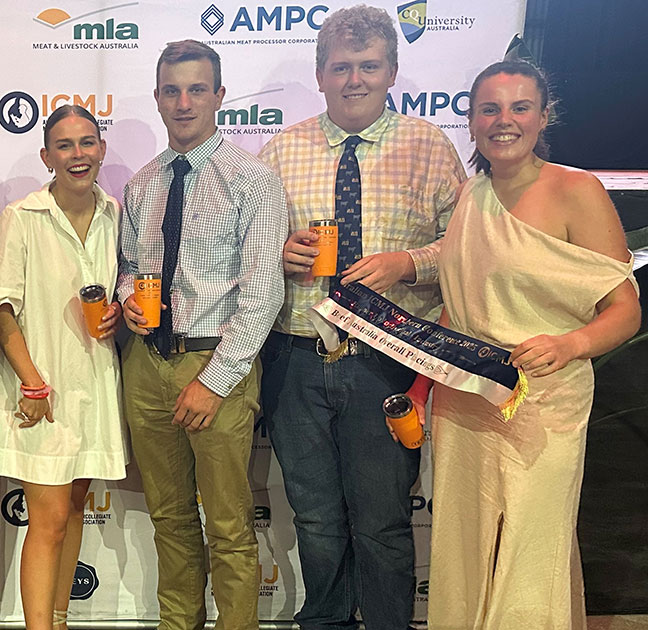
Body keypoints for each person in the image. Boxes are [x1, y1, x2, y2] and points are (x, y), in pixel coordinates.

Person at [256, 6, 466, 629]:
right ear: (320, 75)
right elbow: (249, 249)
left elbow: (466, 250)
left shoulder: (429, 146)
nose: (355, 80)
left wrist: (407, 263)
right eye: (342, 67)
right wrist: (278, 255)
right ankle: (325, 622)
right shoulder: (281, 149)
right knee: (315, 518)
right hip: (296, 357)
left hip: (389, 360)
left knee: (382, 521)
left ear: (392, 72)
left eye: (369, 66)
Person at [414, 60, 639, 629]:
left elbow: (625, 310)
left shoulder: (576, 190)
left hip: (545, 401)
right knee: (462, 546)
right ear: (471, 121)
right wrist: (422, 388)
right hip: (465, 401)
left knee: (533, 546)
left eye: (519, 107)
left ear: (544, 116)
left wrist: (571, 344)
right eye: (489, 109)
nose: (504, 120)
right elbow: (457, 306)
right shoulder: (470, 195)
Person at [118, 40, 287, 630]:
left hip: (216, 362)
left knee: (229, 525)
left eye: (196, 89)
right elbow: (128, 267)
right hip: (147, 364)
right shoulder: (142, 184)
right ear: (157, 98)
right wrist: (127, 300)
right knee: (168, 518)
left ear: (219, 96)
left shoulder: (253, 181)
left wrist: (214, 382)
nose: (184, 102)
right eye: (172, 90)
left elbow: (263, 293)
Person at [0, 105, 128, 630]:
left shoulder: (115, 212)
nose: (78, 155)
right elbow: (1, 309)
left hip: (95, 381)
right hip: (38, 385)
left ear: (101, 149)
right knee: (50, 519)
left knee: (75, 508)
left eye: (87, 142)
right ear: (46, 156)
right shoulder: (22, 216)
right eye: (65, 145)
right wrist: (33, 383)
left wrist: (117, 312)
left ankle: (58, 621)